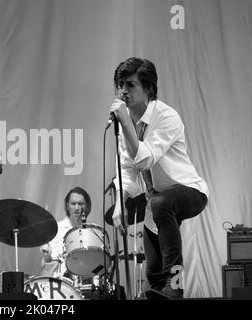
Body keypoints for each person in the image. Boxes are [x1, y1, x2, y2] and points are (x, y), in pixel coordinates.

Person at [109, 57, 209, 299]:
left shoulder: (166, 117)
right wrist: (120, 203)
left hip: (189, 191)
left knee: (161, 203)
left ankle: (177, 287)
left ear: (148, 88)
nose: (123, 91)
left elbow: (144, 160)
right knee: (153, 279)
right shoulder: (127, 125)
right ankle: (166, 288)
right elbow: (127, 169)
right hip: (157, 205)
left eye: (130, 84)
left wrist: (124, 122)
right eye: (120, 84)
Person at [39, 187, 92, 281]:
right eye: (73, 203)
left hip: (86, 284)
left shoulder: (92, 232)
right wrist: (47, 256)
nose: (76, 208)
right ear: (67, 205)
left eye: (80, 204)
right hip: (60, 285)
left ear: (86, 206)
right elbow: (49, 266)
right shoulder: (56, 229)